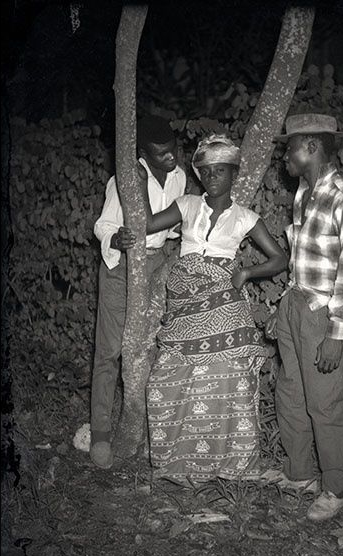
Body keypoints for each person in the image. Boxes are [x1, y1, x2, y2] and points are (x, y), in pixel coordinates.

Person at [137, 133, 288, 484]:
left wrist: (247, 272)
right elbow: (147, 223)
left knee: (228, 381)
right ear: (199, 174)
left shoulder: (246, 217)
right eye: (206, 171)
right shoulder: (187, 204)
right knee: (167, 379)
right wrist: (142, 185)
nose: (212, 178)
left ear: (234, 174)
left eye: (220, 171)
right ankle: (178, 460)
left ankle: (228, 463)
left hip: (225, 304)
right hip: (184, 303)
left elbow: (280, 258)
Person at [266, 113, 343, 521]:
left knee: (324, 403)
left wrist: (336, 334)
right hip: (295, 305)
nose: (284, 156)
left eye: (289, 147)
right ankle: (299, 474)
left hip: (323, 316)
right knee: (290, 393)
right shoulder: (302, 195)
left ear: (311, 146)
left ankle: (334, 487)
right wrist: (283, 306)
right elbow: (300, 263)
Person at [90, 115, 186, 470]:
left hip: (156, 264)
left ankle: (150, 427)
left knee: (150, 346)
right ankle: (100, 432)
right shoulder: (126, 178)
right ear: (145, 152)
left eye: (172, 150)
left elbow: (171, 225)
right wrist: (117, 238)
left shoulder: (179, 177)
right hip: (122, 266)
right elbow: (102, 224)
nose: (170, 158)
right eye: (161, 154)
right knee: (110, 351)